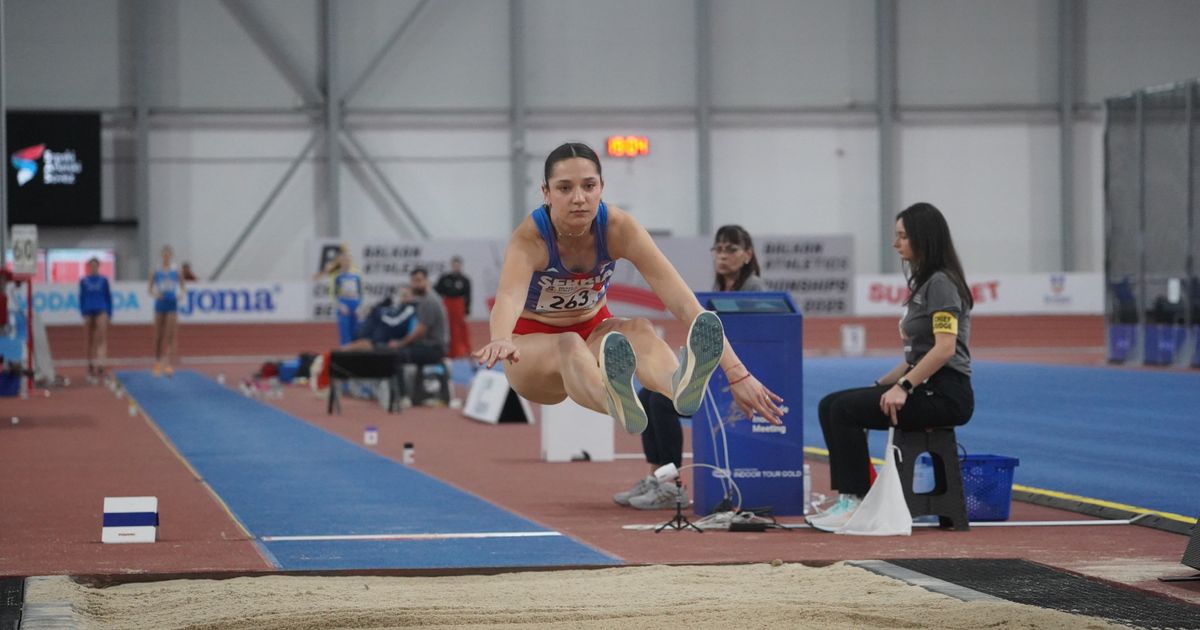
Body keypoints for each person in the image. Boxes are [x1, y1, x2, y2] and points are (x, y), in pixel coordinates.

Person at [474, 142, 784, 443]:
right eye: (565, 188)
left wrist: (737, 373)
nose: (579, 198)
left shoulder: (619, 228)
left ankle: (678, 388)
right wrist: (500, 337)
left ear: (601, 187)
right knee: (568, 344)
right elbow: (509, 297)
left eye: (589, 186)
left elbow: (679, 297)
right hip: (531, 350)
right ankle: (614, 400)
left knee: (640, 328)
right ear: (546, 192)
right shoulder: (531, 238)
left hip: (594, 333)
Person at [810, 202, 975, 530]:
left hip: (945, 395)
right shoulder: (926, 284)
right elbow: (917, 356)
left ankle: (856, 501)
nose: (895, 243)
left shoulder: (941, 283)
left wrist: (903, 387)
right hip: (925, 386)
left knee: (844, 410)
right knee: (832, 404)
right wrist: (882, 383)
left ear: (923, 239)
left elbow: (943, 350)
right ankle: (850, 498)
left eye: (902, 236)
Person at [614, 225, 767, 510]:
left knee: (661, 401)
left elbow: (752, 339)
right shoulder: (720, 289)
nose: (722, 256)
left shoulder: (754, 289)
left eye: (731, 249)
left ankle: (673, 487)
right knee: (649, 393)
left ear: (747, 255)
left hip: (729, 379)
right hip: (711, 374)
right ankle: (655, 478)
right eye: (718, 249)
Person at [389, 267, 449, 402]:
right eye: (413, 281)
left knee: (396, 356)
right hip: (430, 345)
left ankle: (403, 396)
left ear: (427, 281)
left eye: (419, 280)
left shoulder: (429, 301)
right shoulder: (426, 299)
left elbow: (420, 331)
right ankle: (413, 393)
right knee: (402, 350)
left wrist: (400, 343)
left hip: (434, 348)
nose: (416, 284)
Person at [149, 245, 185, 377]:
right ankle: (157, 363)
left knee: (171, 336)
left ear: (171, 256)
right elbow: (150, 290)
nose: (166, 256)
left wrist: (181, 294)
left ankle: (169, 365)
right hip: (160, 304)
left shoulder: (176, 270)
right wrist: (155, 294)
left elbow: (183, 287)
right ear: (161, 255)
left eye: (168, 254)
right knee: (158, 336)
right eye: (164, 254)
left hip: (172, 304)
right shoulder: (156, 270)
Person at [315, 247, 364, 346]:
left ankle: (356, 351)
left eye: (348, 260)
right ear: (340, 262)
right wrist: (340, 305)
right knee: (344, 331)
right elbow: (333, 294)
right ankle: (345, 350)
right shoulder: (337, 276)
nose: (347, 262)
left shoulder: (356, 275)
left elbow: (361, 292)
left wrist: (359, 306)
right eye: (344, 260)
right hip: (343, 304)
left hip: (355, 303)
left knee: (356, 330)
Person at [78, 257, 113, 379]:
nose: (93, 268)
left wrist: (109, 312)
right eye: (91, 266)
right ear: (88, 267)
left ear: (98, 266)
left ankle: (101, 364)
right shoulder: (84, 281)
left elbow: (108, 296)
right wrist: (82, 311)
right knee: (89, 339)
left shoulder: (104, 280)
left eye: (95, 265)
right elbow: (81, 297)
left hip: (101, 309)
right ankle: (90, 363)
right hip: (88, 310)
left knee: (101, 338)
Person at [435, 255, 473, 358]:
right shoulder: (444, 278)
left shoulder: (465, 280)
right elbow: (437, 291)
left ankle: (459, 351)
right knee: (447, 327)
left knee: (458, 329)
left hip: (458, 306)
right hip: (447, 304)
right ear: (451, 265)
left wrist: (466, 310)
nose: (456, 267)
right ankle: (447, 350)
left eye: (458, 265)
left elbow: (468, 296)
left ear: (460, 266)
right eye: (454, 265)